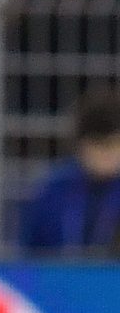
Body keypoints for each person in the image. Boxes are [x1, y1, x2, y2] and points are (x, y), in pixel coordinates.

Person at [18, 88, 120, 255]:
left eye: (115, 144)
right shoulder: (53, 190)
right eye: (98, 144)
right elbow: (29, 252)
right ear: (80, 145)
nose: (107, 153)